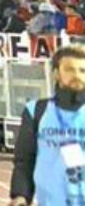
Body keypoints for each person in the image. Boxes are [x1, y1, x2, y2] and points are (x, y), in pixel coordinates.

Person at [10, 43, 85, 206]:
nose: (77, 75)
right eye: (70, 70)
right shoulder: (36, 111)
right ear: (56, 74)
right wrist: (21, 194)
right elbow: (24, 160)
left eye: (82, 70)